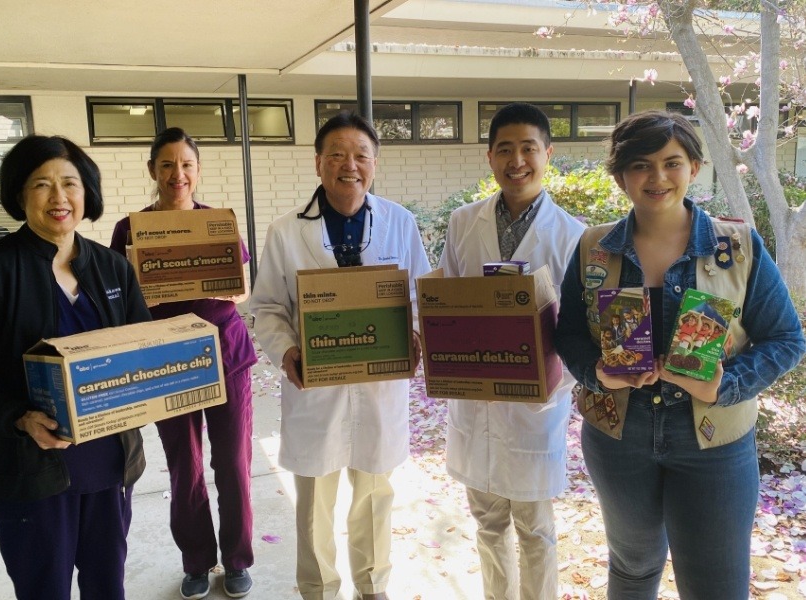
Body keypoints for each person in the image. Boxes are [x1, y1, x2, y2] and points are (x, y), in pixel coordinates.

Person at [555, 110, 806, 600]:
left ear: (694, 167)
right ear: (621, 174)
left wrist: (724, 384)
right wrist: (598, 372)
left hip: (714, 443)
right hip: (617, 438)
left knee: (715, 583)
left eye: (672, 163)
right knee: (631, 569)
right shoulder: (591, 248)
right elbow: (568, 333)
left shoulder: (737, 246)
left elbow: (786, 339)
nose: (657, 177)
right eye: (641, 165)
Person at [0, 135, 151, 599]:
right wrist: (18, 417)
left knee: (108, 585)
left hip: (108, 462)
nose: (59, 197)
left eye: (71, 183)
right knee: (44, 589)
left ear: (88, 192)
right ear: (20, 196)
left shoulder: (111, 267)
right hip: (30, 470)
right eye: (42, 185)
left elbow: (143, 345)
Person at [249, 112, 431, 600]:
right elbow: (266, 306)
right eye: (336, 155)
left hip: (378, 388)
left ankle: (373, 589)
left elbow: (420, 296)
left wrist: (413, 335)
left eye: (360, 155)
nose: (349, 165)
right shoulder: (287, 231)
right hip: (316, 390)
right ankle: (319, 591)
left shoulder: (400, 221)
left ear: (374, 163)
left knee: (374, 501)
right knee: (313, 508)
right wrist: (287, 352)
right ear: (318, 163)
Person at [438, 102, 584, 600]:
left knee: (536, 527)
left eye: (528, 148)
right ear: (489, 157)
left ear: (548, 154)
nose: (516, 160)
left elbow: (581, 331)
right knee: (487, 523)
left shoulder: (574, 235)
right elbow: (447, 304)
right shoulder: (463, 223)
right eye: (505, 149)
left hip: (534, 408)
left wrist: (549, 382)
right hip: (475, 402)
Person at [110, 128, 257, 600]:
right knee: (184, 466)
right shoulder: (129, 229)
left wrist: (227, 287)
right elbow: (122, 298)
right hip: (167, 361)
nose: (179, 174)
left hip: (225, 355)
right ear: (153, 170)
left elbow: (243, 288)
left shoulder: (217, 222)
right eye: (168, 165)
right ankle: (196, 560)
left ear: (198, 170)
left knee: (232, 463)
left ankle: (236, 559)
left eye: (187, 164)